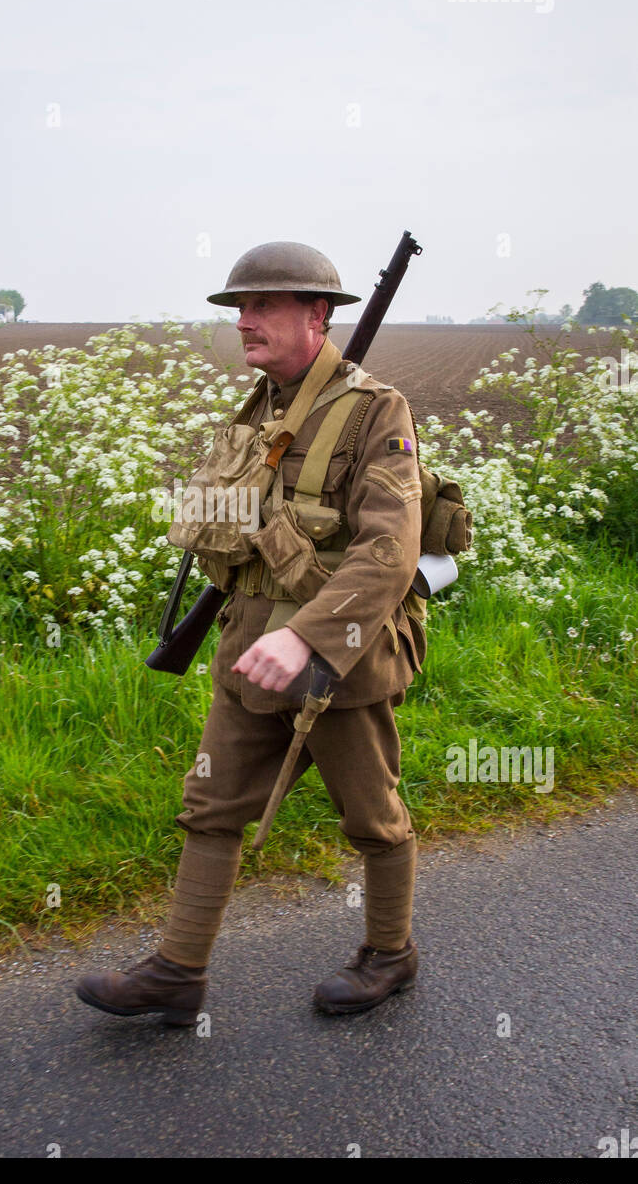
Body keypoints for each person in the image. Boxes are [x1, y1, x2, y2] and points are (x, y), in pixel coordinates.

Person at [76, 242, 426, 1026]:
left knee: (372, 816)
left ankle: (390, 954)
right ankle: (177, 972)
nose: (244, 322)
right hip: (246, 648)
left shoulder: (377, 410)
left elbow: (389, 551)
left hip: (337, 658)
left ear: (318, 314)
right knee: (210, 806)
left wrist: (305, 637)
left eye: (263, 306)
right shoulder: (260, 408)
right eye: (240, 308)